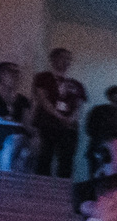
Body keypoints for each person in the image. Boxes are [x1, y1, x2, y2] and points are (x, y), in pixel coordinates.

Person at [27, 49, 84, 178]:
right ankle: (40, 190)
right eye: (63, 57)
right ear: (53, 59)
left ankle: (61, 193)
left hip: (68, 129)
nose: (66, 61)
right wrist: (59, 116)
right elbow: (43, 100)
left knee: (66, 162)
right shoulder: (43, 77)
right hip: (47, 125)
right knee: (44, 158)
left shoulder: (76, 84)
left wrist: (71, 119)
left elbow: (79, 106)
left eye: (69, 59)